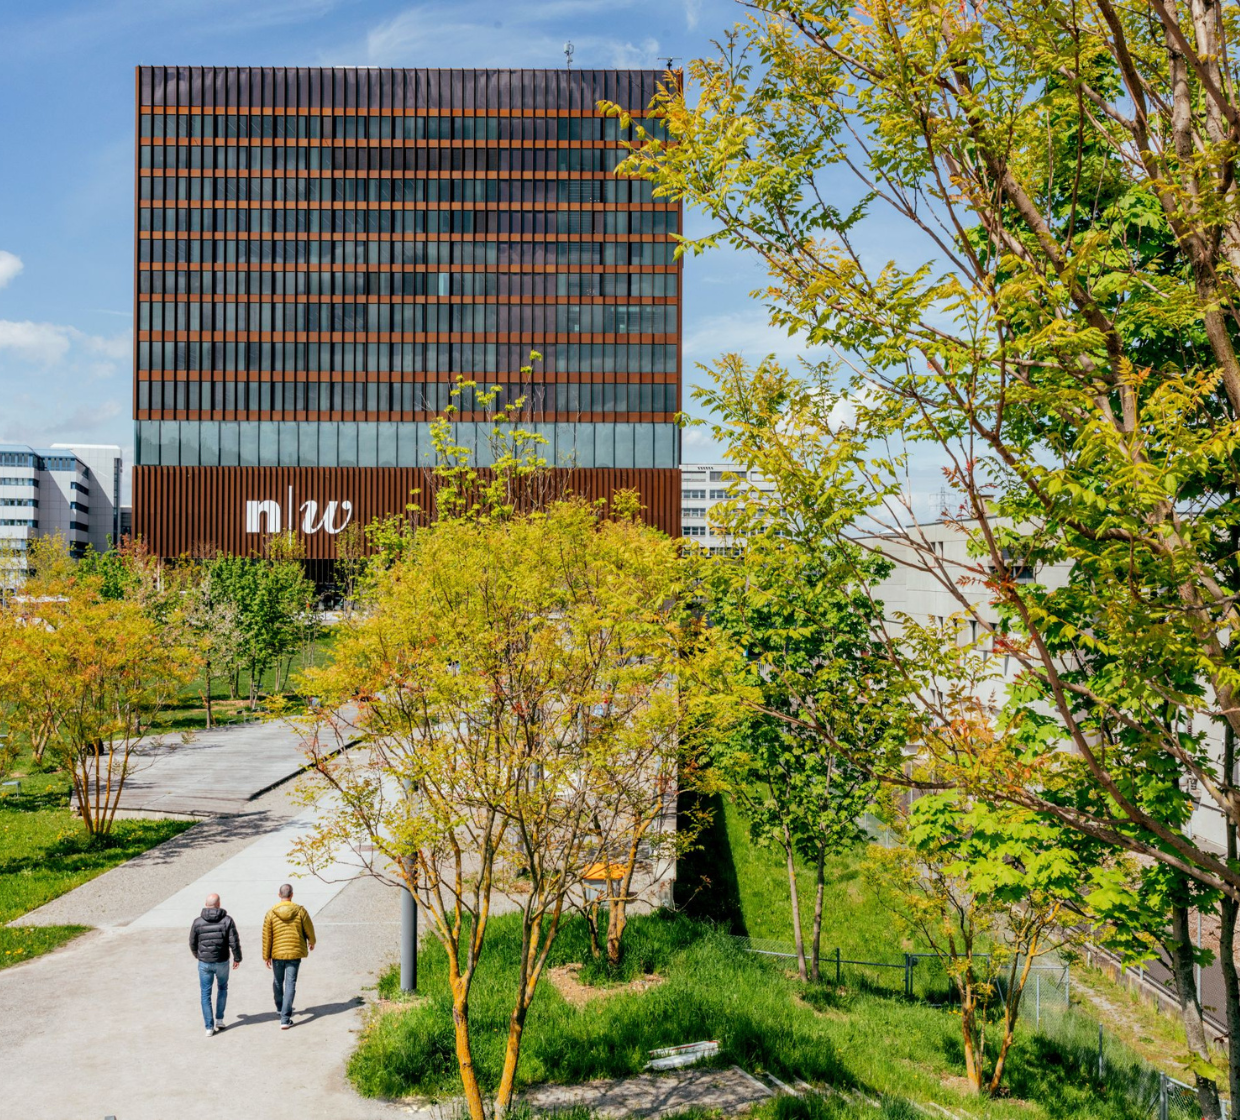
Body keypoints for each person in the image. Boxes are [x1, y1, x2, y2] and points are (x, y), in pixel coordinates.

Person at [262, 883, 316, 1029]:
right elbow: (309, 928)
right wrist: (312, 941)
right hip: (294, 951)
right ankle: (285, 1019)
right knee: (290, 983)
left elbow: (267, 936)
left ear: (279, 895)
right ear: (292, 895)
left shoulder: (271, 913)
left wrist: (266, 956)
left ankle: (280, 1009)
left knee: (278, 981)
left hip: (277, 954)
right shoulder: (300, 911)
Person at [189, 892, 242, 1037]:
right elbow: (234, 942)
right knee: (222, 988)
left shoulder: (198, 922)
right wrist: (237, 958)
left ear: (206, 904)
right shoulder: (227, 920)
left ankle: (209, 1027)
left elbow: (192, 943)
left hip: (204, 962)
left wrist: (198, 955)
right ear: (219, 905)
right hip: (222, 961)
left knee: (205, 993)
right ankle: (219, 1019)